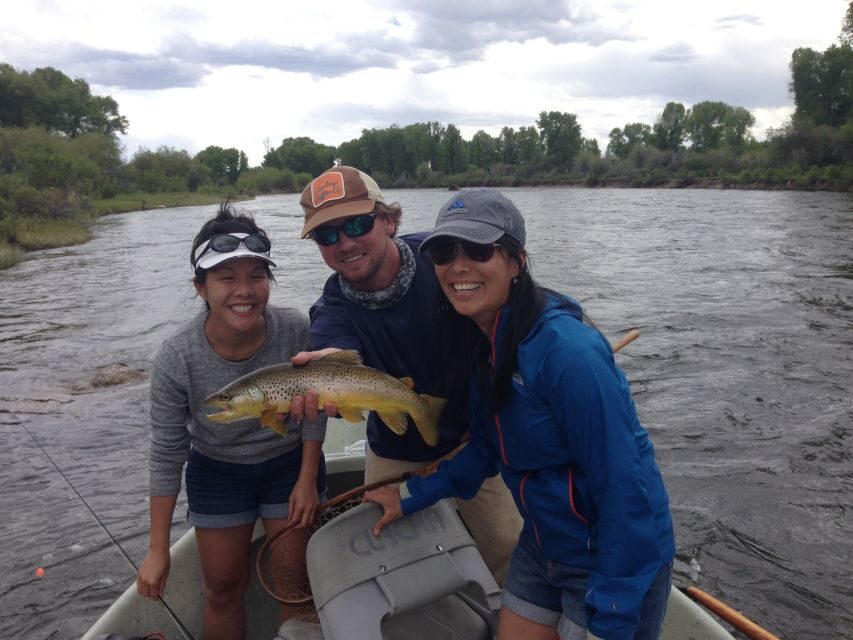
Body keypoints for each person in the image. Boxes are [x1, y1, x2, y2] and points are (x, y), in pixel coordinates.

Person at [363, 188, 676, 640]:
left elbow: (626, 491)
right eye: (445, 252)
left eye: (477, 248)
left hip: (607, 557)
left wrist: (612, 610)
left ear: (515, 260)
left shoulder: (569, 354)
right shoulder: (479, 341)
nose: (458, 265)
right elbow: (487, 448)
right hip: (541, 544)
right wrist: (411, 494)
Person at [293, 166, 522, 584]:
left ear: (389, 220)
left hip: (478, 439)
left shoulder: (443, 262)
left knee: (508, 548)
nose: (344, 243)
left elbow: (513, 306)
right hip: (396, 446)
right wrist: (326, 369)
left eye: (357, 224)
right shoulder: (332, 311)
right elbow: (334, 353)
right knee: (391, 563)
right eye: (327, 235)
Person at [136, 203, 327, 640]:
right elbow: (167, 451)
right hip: (217, 471)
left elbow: (315, 407)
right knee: (221, 589)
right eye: (227, 278)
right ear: (201, 288)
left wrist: (308, 478)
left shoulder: (294, 327)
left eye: (256, 276)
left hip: (289, 463)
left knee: (295, 585)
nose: (245, 291)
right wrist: (157, 549)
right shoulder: (176, 356)